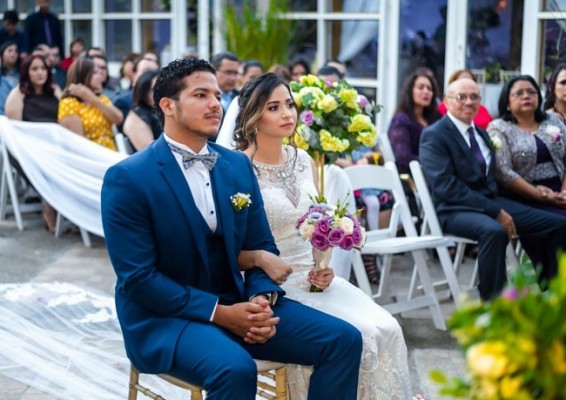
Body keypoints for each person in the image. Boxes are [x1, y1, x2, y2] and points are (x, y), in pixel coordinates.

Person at [100, 58, 362, 400]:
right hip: (166, 319)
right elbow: (138, 279)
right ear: (168, 105)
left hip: (238, 300)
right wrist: (220, 314)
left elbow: (261, 245)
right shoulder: (129, 178)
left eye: (217, 94)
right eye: (200, 94)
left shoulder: (236, 165)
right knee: (235, 369)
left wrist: (260, 298)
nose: (215, 103)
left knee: (343, 340)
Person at [232, 72, 411, 400]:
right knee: (363, 335)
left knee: (387, 327)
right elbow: (231, 246)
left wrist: (322, 263)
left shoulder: (302, 160)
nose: (287, 114)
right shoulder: (237, 168)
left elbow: (311, 223)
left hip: (313, 277)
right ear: (252, 117)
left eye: (289, 104)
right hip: (269, 284)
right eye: (274, 107)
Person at [419, 77, 566, 300]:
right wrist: (495, 211)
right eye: (461, 97)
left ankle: (554, 295)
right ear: (447, 102)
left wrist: (536, 193)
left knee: (556, 224)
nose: (469, 102)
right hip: (453, 209)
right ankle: (495, 306)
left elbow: (492, 178)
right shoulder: (435, 135)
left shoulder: (481, 133)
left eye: (474, 97)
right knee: (494, 231)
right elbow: (447, 187)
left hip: (489, 202)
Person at [487, 75, 566, 215]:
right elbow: (503, 172)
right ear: (507, 102)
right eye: (519, 93)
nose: (526, 96)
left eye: (531, 92)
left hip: (560, 193)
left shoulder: (554, 121)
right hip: (524, 198)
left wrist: (564, 193)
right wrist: (539, 195)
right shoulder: (498, 127)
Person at [4, 54, 61, 231]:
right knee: (52, 166)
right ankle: (52, 208)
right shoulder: (18, 94)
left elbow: (65, 118)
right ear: (26, 72)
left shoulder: (55, 91)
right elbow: (16, 131)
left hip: (54, 147)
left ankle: (64, 209)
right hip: (27, 148)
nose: (40, 73)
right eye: (34, 69)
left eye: (43, 68)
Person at [58, 58, 123, 150]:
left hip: (110, 152)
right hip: (90, 156)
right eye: (95, 73)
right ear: (83, 76)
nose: (100, 75)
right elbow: (78, 143)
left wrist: (92, 99)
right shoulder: (68, 103)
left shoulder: (100, 99)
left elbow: (118, 118)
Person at [388, 69, 441, 175]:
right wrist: (435, 163)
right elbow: (403, 157)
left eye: (429, 89)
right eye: (420, 87)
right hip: (412, 180)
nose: (426, 92)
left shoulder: (436, 118)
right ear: (410, 91)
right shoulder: (401, 121)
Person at [122, 69, 160, 151]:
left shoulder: (162, 111)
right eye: (154, 90)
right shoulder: (136, 117)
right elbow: (151, 155)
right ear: (144, 93)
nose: (161, 92)